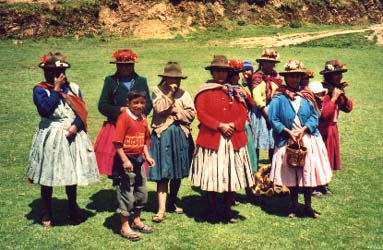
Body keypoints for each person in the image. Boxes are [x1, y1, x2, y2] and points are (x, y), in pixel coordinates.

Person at [27, 52, 99, 227]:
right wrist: (56, 90)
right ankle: (46, 212)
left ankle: (73, 208)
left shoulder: (73, 88)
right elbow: (45, 111)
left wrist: (75, 127)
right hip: (52, 135)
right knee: (48, 174)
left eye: (60, 71)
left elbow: (82, 111)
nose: (57, 75)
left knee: (71, 173)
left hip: (72, 135)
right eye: (52, 72)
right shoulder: (40, 90)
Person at [189, 55, 255, 223]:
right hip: (213, 138)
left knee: (231, 174)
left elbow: (243, 112)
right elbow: (201, 113)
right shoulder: (205, 91)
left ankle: (227, 209)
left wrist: (234, 124)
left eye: (223, 71)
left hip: (233, 138)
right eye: (217, 71)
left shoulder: (235, 91)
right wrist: (219, 125)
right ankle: (212, 209)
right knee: (211, 173)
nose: (220, 74)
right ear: (212, 72)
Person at [268, 60, 332, 218]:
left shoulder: (307, 95)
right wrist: (286, 131)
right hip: (287, 139)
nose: (294, 80)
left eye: (297, 76)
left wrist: (305, 128)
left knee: (307, 173)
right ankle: (294, 206)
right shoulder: (279, 97)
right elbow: (273, 118)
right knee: (292, 174)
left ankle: (308, 206)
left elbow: (314, 116)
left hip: (307, 138)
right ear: (286, 78)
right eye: (291, 77)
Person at [148, 62, 196, 223]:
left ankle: (172, 201)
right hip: (162, 135)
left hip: (180, 135)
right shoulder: (157, 91)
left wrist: (176, 111)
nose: (176, 81)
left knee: (177, 172)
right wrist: (169, 95)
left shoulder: (185, 94)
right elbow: (158, 109)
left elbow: (191, 115)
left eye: (178, 79)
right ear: (165, 78)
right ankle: (161, 209)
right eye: (172, 78)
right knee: (163, 172)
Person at [95, 49, 153, 176]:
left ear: (133, 65)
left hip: (135, 128)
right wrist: (119, 110)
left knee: (136, 161)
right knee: (118, 163)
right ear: (116, 65)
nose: (125, 68)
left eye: (128, 64)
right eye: (121, 65)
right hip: (117, 127)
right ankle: (121, 188)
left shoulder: (141, 81)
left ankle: (136, 188)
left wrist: (141, 114)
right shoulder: (110, 81)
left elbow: (148, 103)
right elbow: (102, 105)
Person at [112, 90, 155, 241]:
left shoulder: (143, 119)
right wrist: (125, 160)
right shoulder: (124, 118)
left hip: (138, 160)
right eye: (135, 102)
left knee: (141, 191)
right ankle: (124, 227)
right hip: (125, 161)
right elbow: (117, 143)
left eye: (142, 102)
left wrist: (147, 156)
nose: (139, 105)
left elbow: (143, 141)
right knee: (126, 193)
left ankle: (136, 221)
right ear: (128, 102)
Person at [227, 59, 258, 201]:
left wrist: (246, 95)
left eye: (237, 74)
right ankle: (231, 193)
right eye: (234, 74)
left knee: (249, 159)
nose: (237, 77)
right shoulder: (225, 89)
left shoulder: (240, 88)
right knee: (234, 160)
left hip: (245, 126)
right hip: (232, 129)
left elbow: (252, 105)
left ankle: (249, 189)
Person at [248, 49, 282, 164]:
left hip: (273, 109)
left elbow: (278, 92)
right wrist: (263, 109)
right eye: (267, 62)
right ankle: (254, 163)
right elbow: (256, 95)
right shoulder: (257, 77)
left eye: (271, 63)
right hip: (259, 110)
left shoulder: (276, 77)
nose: (269, 65)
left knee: (272, 137)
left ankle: (273, 163)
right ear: (262, 63)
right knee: (257, 137)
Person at [319, 60, 353, 172]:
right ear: (328, 76)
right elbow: (324, 114)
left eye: (340, 74)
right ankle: (317, 185)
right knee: (322, 156)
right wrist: (333, 98)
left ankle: (324, 184)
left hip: (333, 128)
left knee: (329, 157)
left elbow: (348, 108)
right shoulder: (323, 91)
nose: (340, 76)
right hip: (323, 129)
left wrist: (342, 93)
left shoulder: (335, 89)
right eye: (336, 74)